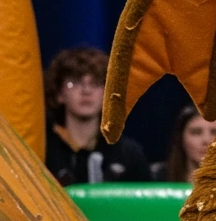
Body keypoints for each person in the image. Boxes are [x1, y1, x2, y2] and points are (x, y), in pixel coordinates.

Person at [44, 47, 151, 185]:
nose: (86, 91)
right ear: (59, 93)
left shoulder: (128, 154)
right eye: (74, 82)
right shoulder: (43, 150)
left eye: (96, 83)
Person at [164, 104, 216, 182]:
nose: (206, 140)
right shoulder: (156, 179)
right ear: (181, 138)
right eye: (196, 132)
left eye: (215, 132)